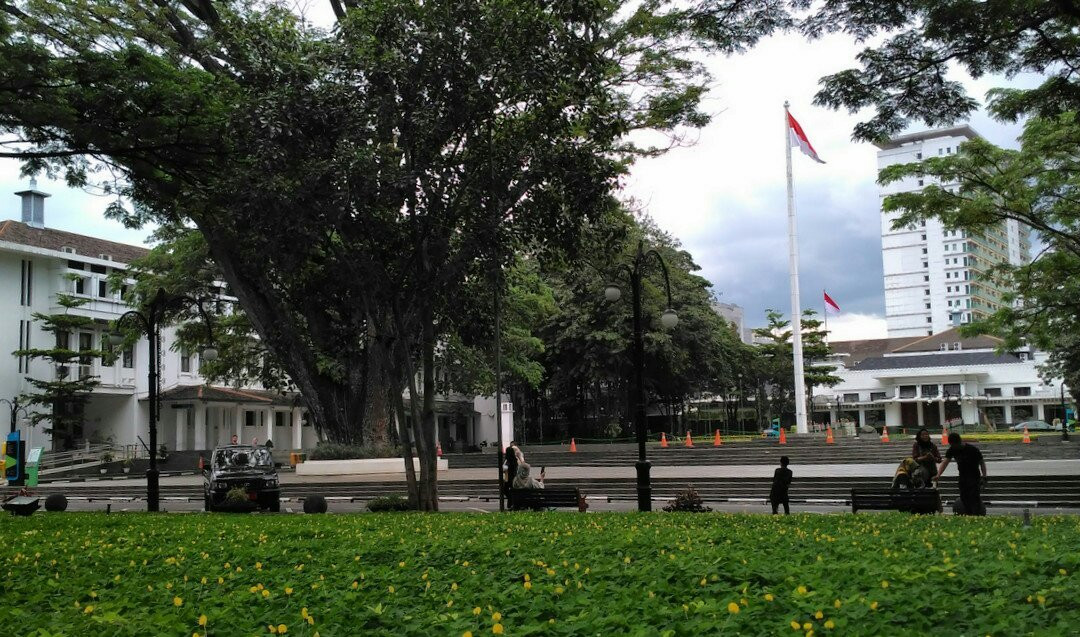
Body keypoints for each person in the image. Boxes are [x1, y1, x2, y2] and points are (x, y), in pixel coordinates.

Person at [935, 433, 987, 515]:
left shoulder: (972, 450)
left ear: (959, 442)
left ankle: (976, 515)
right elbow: (945, 462)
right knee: (964, 497)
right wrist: (938, 475)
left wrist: (984, 477)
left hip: (974, 476)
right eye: (951, 445)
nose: (953, 447)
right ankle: (968, 514)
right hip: (963, 476)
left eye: (954, 445)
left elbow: (982, 463)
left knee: (974, 497)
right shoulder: (952, 449)